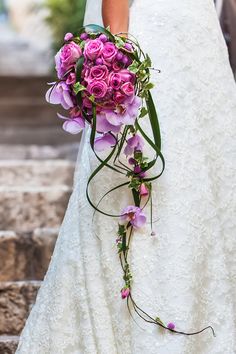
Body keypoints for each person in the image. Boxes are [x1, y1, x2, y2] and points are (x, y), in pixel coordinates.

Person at [16, 0, 236, 353]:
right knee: (152, 179)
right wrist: (115, 62)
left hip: (202, 50)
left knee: (207, 182)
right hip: (157, 46)